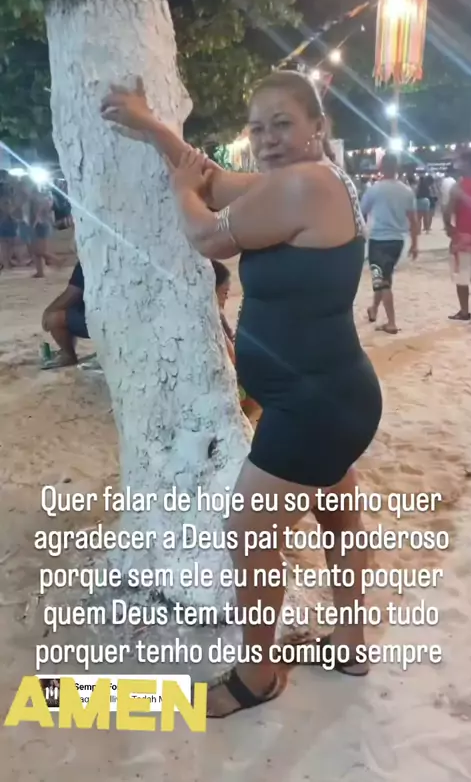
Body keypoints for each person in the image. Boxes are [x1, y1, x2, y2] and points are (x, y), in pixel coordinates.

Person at [101, 70, 383, 719]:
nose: (267, 138)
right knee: (338, 514)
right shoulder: (300, 183)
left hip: (312, 408)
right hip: (333, 395)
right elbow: (212, 178)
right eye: (257, 128)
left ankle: (257, 677)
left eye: (283, 123)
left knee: (248, 531)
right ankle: (351, 644)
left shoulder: (306, 185)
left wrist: (181, 191)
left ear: (317, 127)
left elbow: (207, 233)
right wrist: (150, 126)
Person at [361, 153, 418, 335]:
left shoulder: (374, 189)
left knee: (382, 280)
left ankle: (391, 322)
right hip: (397, 241)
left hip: (378, 240)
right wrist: (415, 243)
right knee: (384, 277)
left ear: (380, 167)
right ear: (397, 167)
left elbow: (361, 212)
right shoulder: (406, 191)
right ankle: (373, 309)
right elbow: (413, 220)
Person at [212, 260, 259, 423]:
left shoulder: (219, 317)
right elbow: (232, 356)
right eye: (224, 293)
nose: (225, 298)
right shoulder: (213, 318)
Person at [444, 150, 471, 321]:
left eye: (460, 161)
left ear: (468, 163)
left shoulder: (458, 186)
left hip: (463, 236)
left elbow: (448, 209)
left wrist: (448, 226)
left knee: (462, 274)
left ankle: (464, 311)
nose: (457, 164)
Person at [41, 261, 89, 367]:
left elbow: (73, 293)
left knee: (53, 318)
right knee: (70, 307)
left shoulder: (88, 261)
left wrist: (48, 311)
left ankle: (68, 355)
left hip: (104, 320)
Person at [0, 173, 18, 270]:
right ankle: (5, 262)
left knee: (7, 242)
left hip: (8, 219)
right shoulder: (7, 195)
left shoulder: (10, 192)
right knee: (6, 242)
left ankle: (6, 261)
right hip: (6, 219)